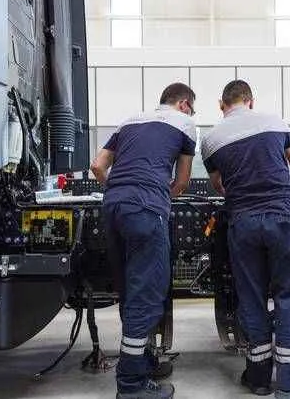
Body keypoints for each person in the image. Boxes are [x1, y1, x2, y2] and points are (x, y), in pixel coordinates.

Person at [200, 80, 290, 399]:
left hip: (243, 222)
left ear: (221, 104)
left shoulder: (210, 139)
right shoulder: (273, 120)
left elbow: (217, 184)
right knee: (287, 298)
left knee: (250, 298)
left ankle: (258, 378)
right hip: (283, 218)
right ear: (250, 100)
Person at [90, 83, 197, 399]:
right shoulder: (185, 123)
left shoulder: (129, 121)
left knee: (129, 289)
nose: (192, 113)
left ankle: (144, 359)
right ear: (183, 104)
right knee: (148, 293)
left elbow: (97, 166)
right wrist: (157, 197)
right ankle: (131, 385)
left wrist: (122, 188)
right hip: (146, 209)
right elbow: (182, 181)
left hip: (113, 205)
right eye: (192, 107)